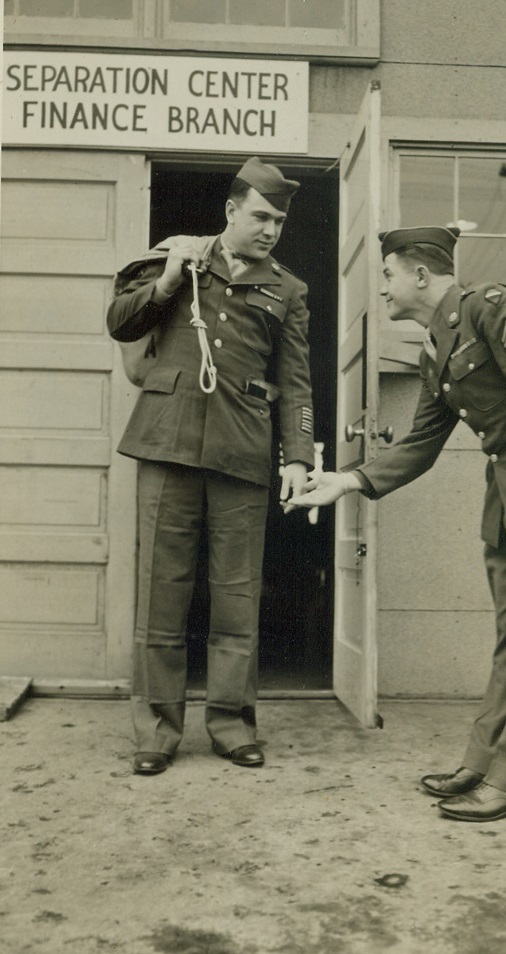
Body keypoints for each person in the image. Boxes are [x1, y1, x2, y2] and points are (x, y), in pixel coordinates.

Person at [286, 225, 506, 822]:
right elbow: (420, 442)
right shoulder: (434, 349)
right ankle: (485, 761)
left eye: (387, 274)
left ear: (421, 274)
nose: (382, 287)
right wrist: (350, 480)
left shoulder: (494, 308)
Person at [107, 157, 315, 775]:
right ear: (231, 212)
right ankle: (157, 731)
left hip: (242, 452)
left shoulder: (289, 290)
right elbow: (119, 322)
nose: (270, 230)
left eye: (278, 220)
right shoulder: (176, 259)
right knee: (160, 594)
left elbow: (296, 384)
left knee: (236, 597)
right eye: (260, 216)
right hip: (167, 444)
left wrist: (298, 458)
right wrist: (170, 279)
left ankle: (230, 724)